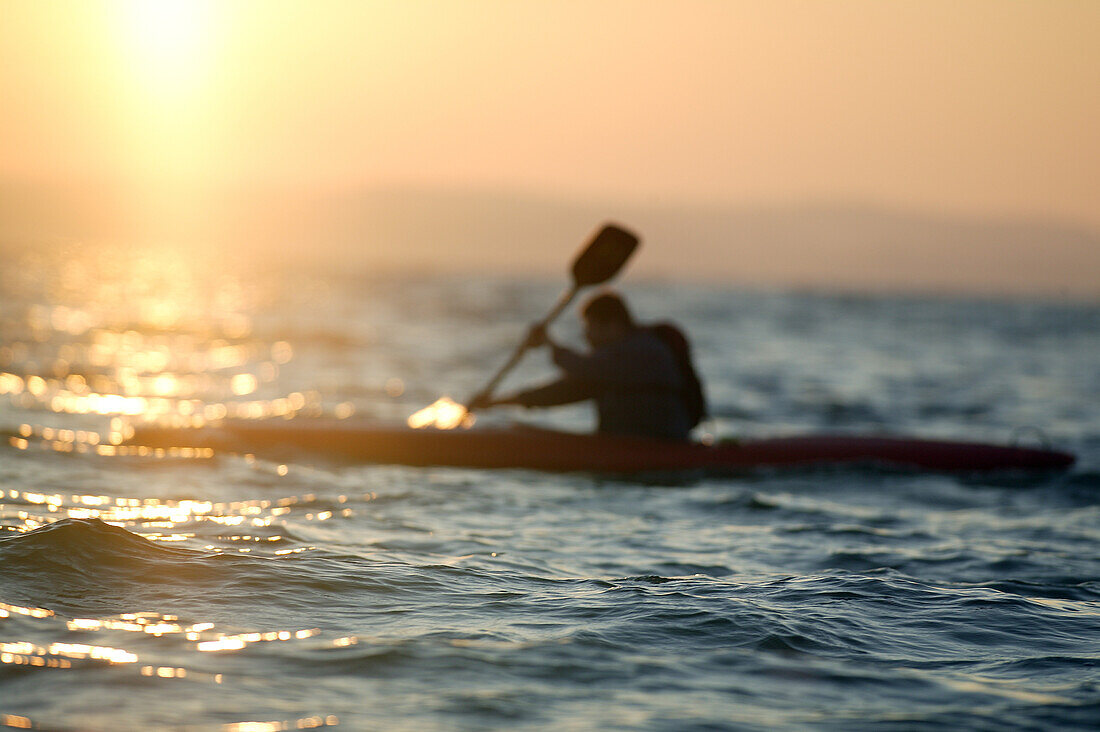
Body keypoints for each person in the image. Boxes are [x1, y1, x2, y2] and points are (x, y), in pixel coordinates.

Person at [470, 290, 705, 441]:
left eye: (589, 327)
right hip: (624, 441)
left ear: (612, 325)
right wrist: (496, 403)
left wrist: (549, 344)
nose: (586, 336)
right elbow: (562, 392)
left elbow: (584, 368)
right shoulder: (611, 362)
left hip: (660, 442)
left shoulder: (643, 350)